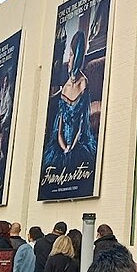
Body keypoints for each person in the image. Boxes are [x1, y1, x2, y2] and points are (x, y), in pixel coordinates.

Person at [44, 30, 97, 171]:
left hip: (78, 142)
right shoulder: (66, 87)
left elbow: (82, 124)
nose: (69, 59)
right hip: (61, 144)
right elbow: (59, 126)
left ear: (78, 56)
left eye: (72, 55)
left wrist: (71, 147)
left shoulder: (84, 83)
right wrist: (63, 146)